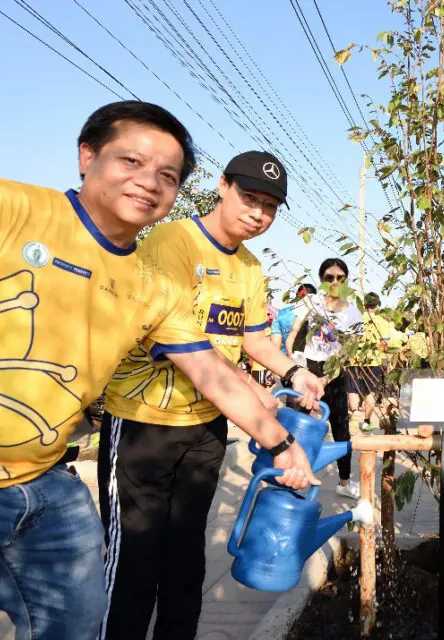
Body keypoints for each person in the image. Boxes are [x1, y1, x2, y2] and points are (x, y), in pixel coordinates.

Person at [0, 101, 316, 640]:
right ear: (87, 156)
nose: (148, 183)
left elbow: (214, 371)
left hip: (44, 484)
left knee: (84, 620)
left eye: (168, 175)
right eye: (130, 161)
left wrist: (279, 443)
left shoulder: (149, 282)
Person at [99, 150, 327, 639]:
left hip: (205, 427)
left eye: (269, 206)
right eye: (249, 197)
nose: (257, 213)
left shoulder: (247, 266)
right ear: (222, 186)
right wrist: (251, 392)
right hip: (144, 423)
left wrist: (292, 373)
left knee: (185, 560)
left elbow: (253, 336)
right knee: (134, 563)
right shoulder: (171, 242)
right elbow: (185, 344)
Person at [289, 258, 364, 498]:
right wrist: (294, 366)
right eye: (329, 277)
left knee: (341, 427)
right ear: (320, 279)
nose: (334, 282)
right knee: (298, 425)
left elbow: (348, 353)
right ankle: (293, 477)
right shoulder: (311, 302)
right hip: (307, 367)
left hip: (335, 371)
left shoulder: (353, 312)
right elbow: (293, 333)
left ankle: (344, 483)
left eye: (340, 278)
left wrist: (325, 379)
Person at [347, 292, 395, 431]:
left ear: (365, 305)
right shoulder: (382, 322)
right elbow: (385, 344)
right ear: (378, 306)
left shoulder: (356, 319)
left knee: (353, 389)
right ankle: (367, 422)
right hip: (374, 360)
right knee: (371, 391)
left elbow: (351, 340)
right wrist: (389, 360)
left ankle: (354, 421)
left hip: (355, 359)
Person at [274, 283, 317, 357]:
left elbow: (275, 343)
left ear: (297, 295)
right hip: (314, 358)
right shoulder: (319, 315)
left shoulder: (281, 314)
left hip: (286, 359)